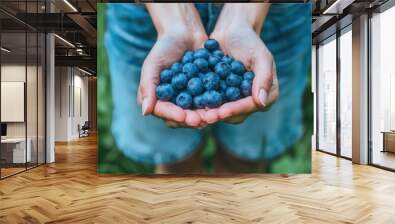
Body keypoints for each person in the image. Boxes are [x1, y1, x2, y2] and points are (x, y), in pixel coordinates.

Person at [105, 3, 311, 173]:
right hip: (147, 12)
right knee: (173, 159)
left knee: (245, 157)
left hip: (273, 12)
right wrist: (173, 17)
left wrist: (244, 14)